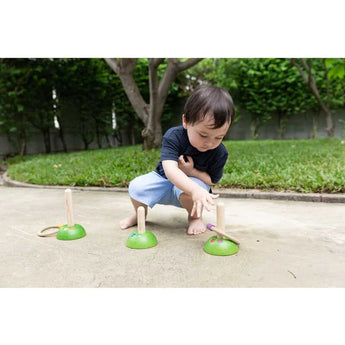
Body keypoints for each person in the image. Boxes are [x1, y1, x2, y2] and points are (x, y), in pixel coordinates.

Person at [120, 85, 235, 235]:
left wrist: (191, 172)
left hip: (191, 189)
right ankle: (140, 214)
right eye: (203, 135)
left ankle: (194, 218)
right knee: (136, 186)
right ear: (186, 121)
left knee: (195, 188)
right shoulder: (173, 136)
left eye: (219, 137)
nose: (210, 143)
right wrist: (194, 189)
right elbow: (170, 170)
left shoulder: (220, 152)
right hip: (164, 180)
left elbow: (211, 180)